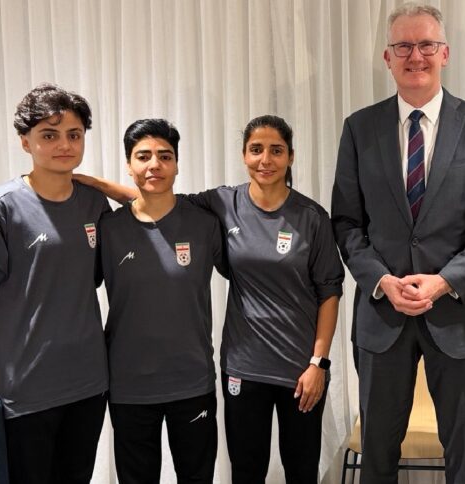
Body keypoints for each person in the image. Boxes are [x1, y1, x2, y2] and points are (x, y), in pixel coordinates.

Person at [77, 114, 344, 483]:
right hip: (240, 366)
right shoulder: (221, 203)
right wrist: (90, 183)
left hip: (297, 368)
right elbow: (155, 197)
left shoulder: (309, 216)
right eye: (256, 149)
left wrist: (319, 362)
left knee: (301, 470)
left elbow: (330, 291)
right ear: (244, 155)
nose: (265, 159)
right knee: (245, 471)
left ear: (291, 156)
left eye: (276, 150)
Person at [330, 3, 465, 482]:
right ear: (387, 58)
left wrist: (445, 281)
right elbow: (347, 223)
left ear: (445, 53)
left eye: (426, 45)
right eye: (403, 46)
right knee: (377, 456)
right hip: (382, 317)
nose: (415, 56)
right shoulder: (359, 128)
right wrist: (381, 281)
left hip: (461, 316)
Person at [0, 83, 110, 483]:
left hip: (88, 382)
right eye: (49, 135)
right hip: (24, 387)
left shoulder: (94, 203)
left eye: (74, 134)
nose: (65, 145)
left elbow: (152, 207)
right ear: (25, 142)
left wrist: (104, 185)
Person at [100, 119, 225, 483]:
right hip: (128, 385)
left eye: (164, 156)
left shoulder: (204, 224)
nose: (154, 164)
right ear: (129, 165)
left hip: (192, 381)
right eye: (143, 156)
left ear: (177, 164)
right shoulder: (108, 229)